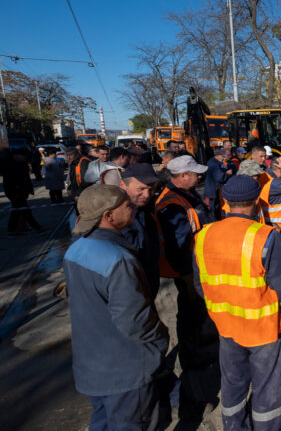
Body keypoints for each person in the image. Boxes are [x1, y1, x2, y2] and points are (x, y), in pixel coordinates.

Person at [193, 176, 281, 431]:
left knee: (232, 383)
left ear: (225, 201)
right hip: (264, 329)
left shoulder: (204, 235)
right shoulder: (265, 236)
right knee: (266, 388)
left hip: (227, 326)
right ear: (256, 201)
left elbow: (200, 285)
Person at [63, 184, 169, 431]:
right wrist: (160, 341)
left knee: (102, 422)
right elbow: (135, 321)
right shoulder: (118, 259)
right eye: (126, 206)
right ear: (108, 216)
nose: (133, 207)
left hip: (93, 365)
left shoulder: (75, 250)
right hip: (125, 370)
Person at [154, 155, 215, 417]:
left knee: (199, 322)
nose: (199, 177)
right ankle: (194, 393)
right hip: (189, 273)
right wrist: (189, 277)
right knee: (193, 325)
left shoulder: (187, 196)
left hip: (199, 269)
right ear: (180, 176)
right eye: (194, 174)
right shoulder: (172, 205)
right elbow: (179, 246)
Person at [120, 164, 162, 299]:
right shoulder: (115, 218)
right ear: (122, 185)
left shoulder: (145, 209)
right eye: (141, 189)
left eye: (151, 189)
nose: (147, 195)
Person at [2, 147, 43, 235]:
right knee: (24, 211)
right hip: (15, 192)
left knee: (18, 211)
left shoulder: (20, 163)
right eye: (24, 157)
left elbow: (25, 178)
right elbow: (10, 181)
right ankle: (37, 228)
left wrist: (28, 190)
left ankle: (13, 230)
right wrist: (15, 192)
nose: (25, 159)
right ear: (17, 155)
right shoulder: (9, 164)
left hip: (20, 191)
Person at [205, 148, 233, 217]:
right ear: (217, 155)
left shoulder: (215, 162)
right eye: (223, 156)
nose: (224, 158)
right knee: (213, 211)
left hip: (214, 190)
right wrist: (227, 174)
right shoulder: (213, 164)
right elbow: (220, 178)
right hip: (212, 191)